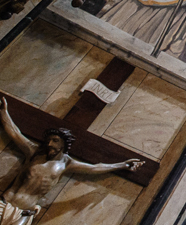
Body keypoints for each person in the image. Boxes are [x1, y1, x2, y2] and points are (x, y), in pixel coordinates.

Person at [0, 96, 143, 225]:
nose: (49, 144)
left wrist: (122, 165)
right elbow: (14, 132)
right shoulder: (35, 152)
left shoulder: (67, 164)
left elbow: (95, 168)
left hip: (24, 212)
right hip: (4, 203)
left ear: (63, 144)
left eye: (55, 141)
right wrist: (3, 112)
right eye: (48, 140)